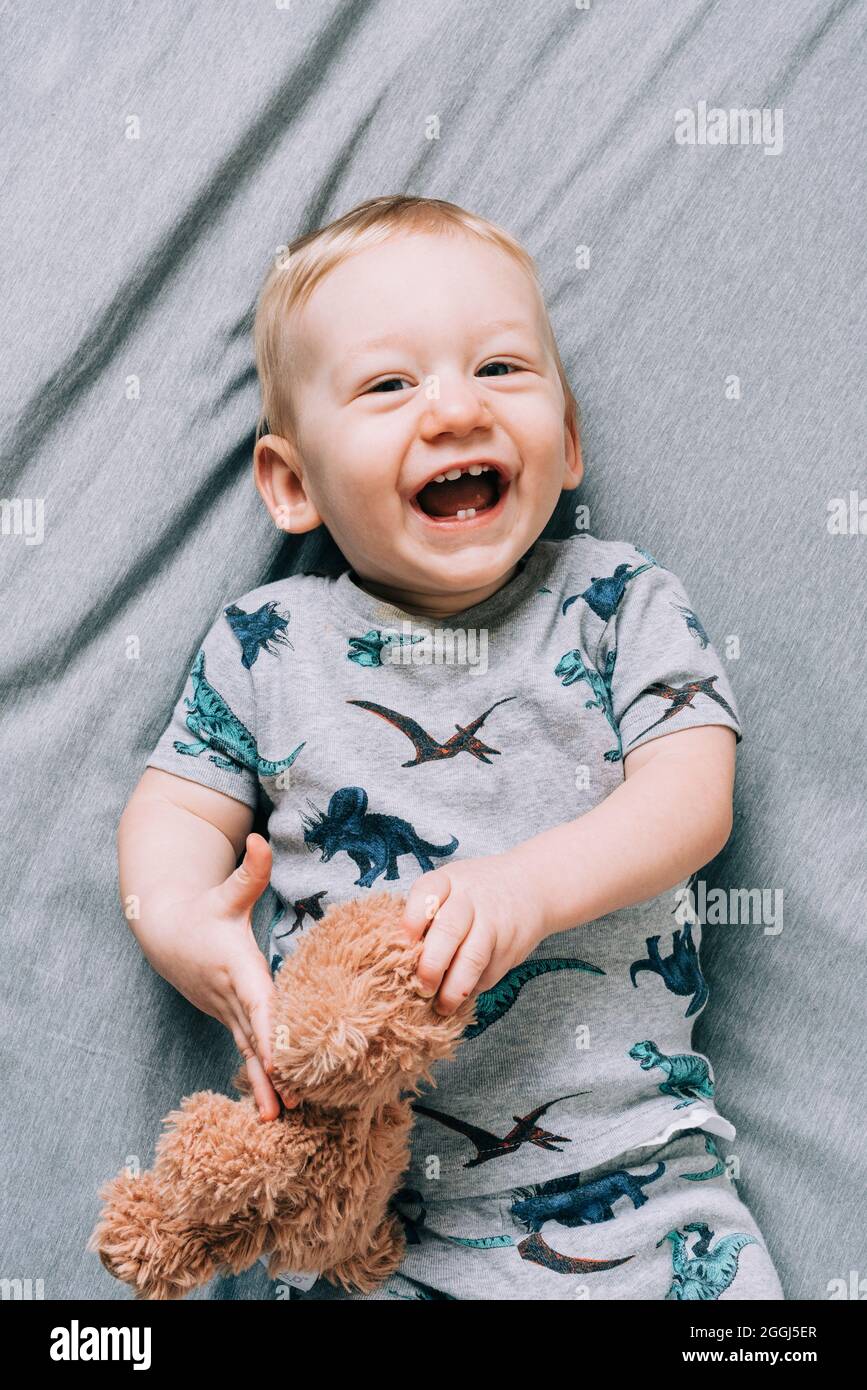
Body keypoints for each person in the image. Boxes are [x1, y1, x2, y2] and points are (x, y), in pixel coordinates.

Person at [122, 195, 784, 1299]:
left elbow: (693, 795)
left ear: (567, 443)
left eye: (502, 369)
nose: (454, 409)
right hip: (366, 1227)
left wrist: (527, 888)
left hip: (647, 1200)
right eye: (389, 385)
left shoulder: (618, 602)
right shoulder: (264, 646)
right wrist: (187, 925)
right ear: (291, 483)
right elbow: (175, 812)